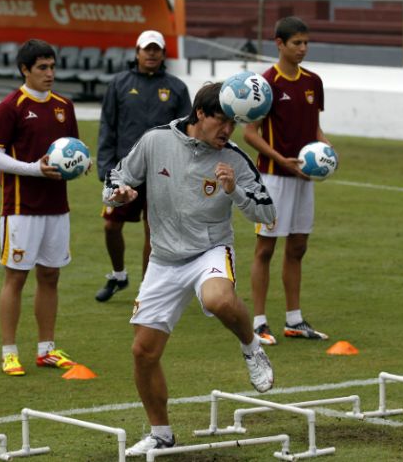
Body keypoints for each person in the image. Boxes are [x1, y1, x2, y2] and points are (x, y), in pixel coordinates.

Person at [103, 82, 276, 456]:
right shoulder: (155, 141)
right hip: (163, 259)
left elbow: (267, 212)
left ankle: (251, 346)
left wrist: (235, 192)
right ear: (200, 114)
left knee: (217, 300)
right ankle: (161, 433)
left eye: (234, 123)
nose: (228, 131)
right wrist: (119, 195)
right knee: (143, 352)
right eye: (222, 121)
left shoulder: (234, 159)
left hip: (209, 250)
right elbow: (115, 178)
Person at [0, 39, 84, 376]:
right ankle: (9, 352)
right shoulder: (10, 107)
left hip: (57, 206)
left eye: (52, 67)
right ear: (25, 70)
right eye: (42, 68)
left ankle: (46, 349)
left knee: (51, 275)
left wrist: (80, 165)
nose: (50, 73)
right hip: (20, 207)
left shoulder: (64, 106)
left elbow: (74, 149)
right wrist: (33, 169)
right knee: (16, 277)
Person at [243, 16, 331, 345]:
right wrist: (280, 158)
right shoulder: (266, 84)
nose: (303, 49)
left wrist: (325, 147)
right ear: (279, 44)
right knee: (265, 248)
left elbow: (315, 126)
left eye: (306, 43)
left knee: (298, 246)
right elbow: (249, 133)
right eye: (297, 43)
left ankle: (294, 320)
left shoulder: (313, 81)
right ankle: (258, 323)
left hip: (304, 177)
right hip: (273, 178)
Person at [94, 30, 191, 302]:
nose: (151, 54)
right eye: (146, 49)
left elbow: (187, 133)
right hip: (125, 172)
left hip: (162, 173)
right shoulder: (119, 84)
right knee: (111, 227)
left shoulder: (176, 88)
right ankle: (118, 274)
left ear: (163, 54)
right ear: (137, 52)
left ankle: (148, 291)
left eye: (156, 49)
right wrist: (106, 168)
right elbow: (107, 127)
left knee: (153, 234)